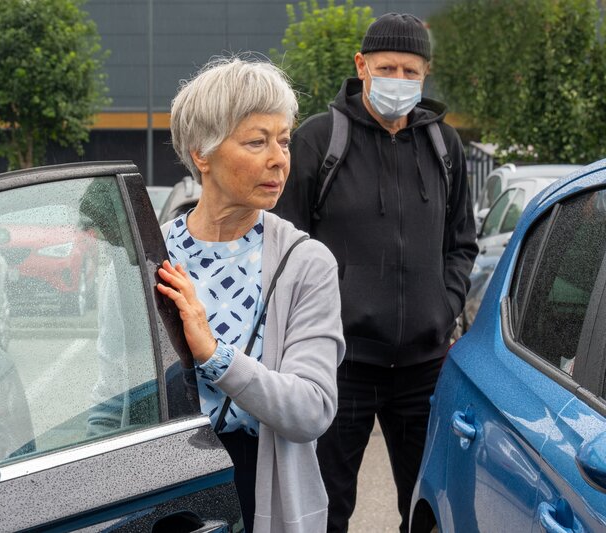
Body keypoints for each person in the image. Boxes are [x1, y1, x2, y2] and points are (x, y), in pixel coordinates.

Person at [271, 13, 478, 533]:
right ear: (361, 65)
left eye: (411, 71)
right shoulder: (318, 141)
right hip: (340, 365)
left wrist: (444, 308)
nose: (399, 81)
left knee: (428, 508)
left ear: (426, 73)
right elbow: (285, 246)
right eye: (387, 68)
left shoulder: (445, 146)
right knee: (325, 510)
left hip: (423, 369)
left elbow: (462, 243)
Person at [156, 56, 345, 533]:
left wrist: (214, 355)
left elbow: (311, 409)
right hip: (164, 487)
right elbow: (112, 402)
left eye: (284, 141)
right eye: (257, 142)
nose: (279, 158)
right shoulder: (150, 257)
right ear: (202, 154)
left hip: (265, 487)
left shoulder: (305, 262)